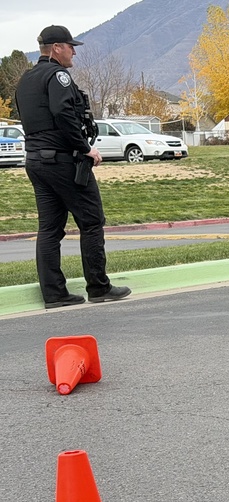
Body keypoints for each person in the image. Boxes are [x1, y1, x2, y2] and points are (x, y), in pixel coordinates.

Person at [14, 25, 131, 309]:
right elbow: (63, 113)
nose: (74, 53)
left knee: (49, 229)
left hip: (36, 161)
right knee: (91, 221)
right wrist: (85, 148)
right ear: (56, 48)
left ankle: (55, 294)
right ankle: (99, 287)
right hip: (63, 160)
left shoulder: (26, 79)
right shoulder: (58, 75)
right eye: (70, 47)